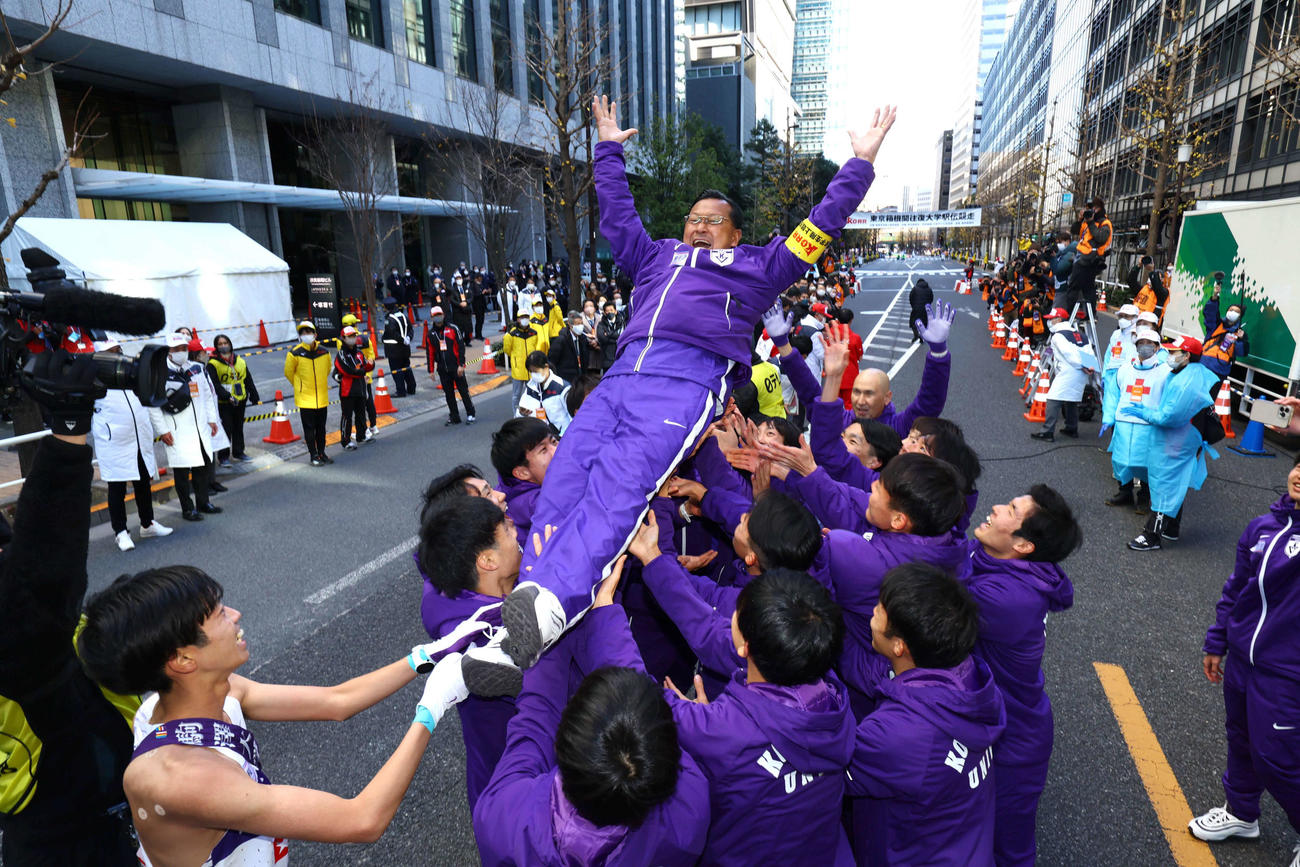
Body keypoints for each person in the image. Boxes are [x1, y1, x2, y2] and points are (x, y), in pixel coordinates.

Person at [457, 96, 896, 698]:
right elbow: (618, 217)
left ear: (735, 233)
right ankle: (529, 605)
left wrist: (860, 165)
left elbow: (818, 227)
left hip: (683, 386)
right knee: (567, 478)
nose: (698, 225)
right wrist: (607, 149)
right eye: (693, 218)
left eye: (712, 220)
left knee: (617, 487)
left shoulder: (758, 266)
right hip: (620, 376)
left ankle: (557, 605)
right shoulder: (658, 255)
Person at [76, 565, 472, 866]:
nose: (236, 615)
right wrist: (431, 709)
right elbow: (361, 819)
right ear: (182, 659)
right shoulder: (180, 778)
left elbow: (337, 701)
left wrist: (427, 656)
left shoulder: (206, 693)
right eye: (219, 614)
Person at [624, 523, 857, 866]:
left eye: (737, 612)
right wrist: (654, 558)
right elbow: (705, 629)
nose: (729, 614)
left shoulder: (719, 731)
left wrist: (603, 613)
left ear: (744, 646)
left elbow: (630, 686)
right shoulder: (831, 693)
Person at [0, 352, 141, 866]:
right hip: (57, 813)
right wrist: (67, 436)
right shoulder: (24, 629)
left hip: (92, 775)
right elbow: (38, 590)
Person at [472, 565, 711, 866]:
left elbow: (534, 723)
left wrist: (544, 625)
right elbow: (644, 710)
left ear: (559, 747)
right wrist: (605, 615)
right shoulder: (690, 808)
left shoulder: (502, 817)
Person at [846, 563, 1006, 865]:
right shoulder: (967, 676)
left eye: (880, 609)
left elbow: (829, 768)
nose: (873, 612)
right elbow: (872, 671)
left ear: (899, 646)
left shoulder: (898, 735)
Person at [1189, 455, 1300, 851]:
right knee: (1241, 738)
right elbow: (1237, 587)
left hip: (1287, 672)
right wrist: (1217, 639)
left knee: (1277, 757)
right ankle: (1241, 812)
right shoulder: (1262, 527)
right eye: (1299, 465)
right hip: (1242, 659)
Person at [967, 486, 1082, 867]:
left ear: (1023, 546)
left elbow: (925, 592)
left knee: (1008, 849)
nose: (996, 507)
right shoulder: (994, 558)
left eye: (1011, 510)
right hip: (990, 721)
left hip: (1013, 741)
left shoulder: (1008, 599)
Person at [417, 495, 518, 810]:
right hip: (518, 792)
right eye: (507, 529)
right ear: (488, 560)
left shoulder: (472, 610)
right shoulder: (487, 642)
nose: (516, 529)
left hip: (496, 782)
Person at [1121, 334, 1220, 550]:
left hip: (1178, 440)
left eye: (1174, 352)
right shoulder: (1187, 373)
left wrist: (1145, 413)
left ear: (1187, 356)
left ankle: (1152, 535)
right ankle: (1171, 528)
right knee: (1174, 481)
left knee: (1164, 484)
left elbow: (1170, 417)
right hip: (1179, 438)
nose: (1169, 355)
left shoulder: (1187, 382)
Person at [91, 339, 172, 551]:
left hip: (138, 439)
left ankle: (147, 524)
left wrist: (160, 429)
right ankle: (121, 532)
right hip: (114, 442)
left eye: (118, 349)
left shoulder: (131, 373)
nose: (117, 354)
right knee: (117, 487)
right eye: (111, 352)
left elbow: (149, 401)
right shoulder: (94, 380)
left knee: (143, 482)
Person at [150, 334, 221, 521]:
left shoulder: (197, 368)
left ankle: (203, 502)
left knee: (202, 467)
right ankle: (187, 508)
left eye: (183, 348)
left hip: (200, 428)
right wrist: (162, 430)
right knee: (182, 471)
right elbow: (153, 406)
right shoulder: (159, 373)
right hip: (177, 430)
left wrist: (212, 419)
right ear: (168, 351)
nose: (181, 352)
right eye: (176, 349)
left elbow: (207, 395)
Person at [1101, 327, 1170, 511]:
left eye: (1149, 343)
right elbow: (1113, 395)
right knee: (1120, 461)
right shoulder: (1124, 369)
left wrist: (1164, 421)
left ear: (1157, 347)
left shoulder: (1165, 372)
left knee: (1147, 464)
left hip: (1148, 426)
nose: (1144, 346)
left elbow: (1170, 400)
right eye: (1141, 343)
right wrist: (1108, 417)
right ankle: (1124, 492)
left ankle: (1144, 497)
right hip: (1124, 424)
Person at [1031, 308, 1098, 442]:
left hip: (1070, 370)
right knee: (1071, 399)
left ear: (1059, 319)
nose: (1049, 322)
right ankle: (1071, 428)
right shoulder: (1080, 334)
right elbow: (1089, 352)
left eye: (1051, 319)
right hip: (1081, 372)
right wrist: (1089, 366)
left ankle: (1047, 431)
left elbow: (1069, 354)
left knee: (1053, 398)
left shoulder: (1058, 336)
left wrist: (1082, 365)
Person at [491, 417, 554, 546]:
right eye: (543, 450)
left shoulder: (508, 486)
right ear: (522, 473)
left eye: (553, 441)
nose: (556, 450)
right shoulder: (542, 504)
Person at [284, 321, 333, 466]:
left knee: (321, 428)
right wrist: (300, 385)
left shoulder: (324, 352)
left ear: (315, 334)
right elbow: (288, 373)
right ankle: (313, 455)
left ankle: (322, 452)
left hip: (322, 397)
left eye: (309, 332)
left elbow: (327, 369)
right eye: (303, 333)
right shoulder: (294, 353)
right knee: (309, 429)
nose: (306, 335)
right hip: (305, 398)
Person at [207, 334, 259, 465]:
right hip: (224, 402)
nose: (223, 346)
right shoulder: (213, 364)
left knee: (238, 427)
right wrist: (227, 396)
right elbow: (214, 385)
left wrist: (254, 394)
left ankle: (239, 452)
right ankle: (223, 457)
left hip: (240, 400)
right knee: (226, 428)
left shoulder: (240, 361)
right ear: (216, 347)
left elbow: (247, 379)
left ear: (230, 344)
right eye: (220, 344)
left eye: (225, 343)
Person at [187, 340, 230, 495]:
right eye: (205, 352)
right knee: (203, 454)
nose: (208, 355)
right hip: (201, 419)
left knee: (211, 451)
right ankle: (203, 485)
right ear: (197, 355)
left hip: (211, 417)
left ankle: (211, 481)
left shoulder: (202, 369)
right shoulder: (191, 372)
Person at [425, 305, 477, 426]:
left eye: (439, 314)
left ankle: (471, 413)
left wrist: (461, 364)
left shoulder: (453, 328)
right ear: (432, 318)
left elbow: (461, 347)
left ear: (443, 315)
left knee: (463, 391)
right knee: (449, 394)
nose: (438, 317)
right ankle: (454, 416)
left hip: (456, 366)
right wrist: (431, 370)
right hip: (442, 368)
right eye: (435, 316)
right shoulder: (431, 334)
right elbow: (430, 353)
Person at [1062, 197, 1112, 313]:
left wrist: (1090, 222)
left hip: (1090, 257)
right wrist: (1080, 219)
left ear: (1099, 208)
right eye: (1089, 208)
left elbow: (1101, 238)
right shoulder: (1087, 221)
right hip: (1082, 255)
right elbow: (1074, 231)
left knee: (1074, 285)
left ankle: (1070, 313)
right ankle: (1090, 314)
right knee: (1088, 287)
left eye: (1093, 208)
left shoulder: (1104, 223)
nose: (1090, 211)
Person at [334, 325, 374, 450]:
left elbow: (366, 366)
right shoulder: (341, 354)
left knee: (361, 414)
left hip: (360, 388)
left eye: (353, 336)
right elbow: (347, 370)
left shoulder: (359, 353)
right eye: (349, 336)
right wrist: (362, 371)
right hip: (347, 391)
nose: (352, 338)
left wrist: (371, 364)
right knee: (347, 416)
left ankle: (361, 436)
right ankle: (345, 441)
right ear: (343, 338)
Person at [502, 308, 549, 412]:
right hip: (518, 369)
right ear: (518, 319)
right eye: (522, 317)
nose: (525, 319)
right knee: (516, 395)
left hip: (531, 369)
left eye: (526, 317)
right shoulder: (511, 334)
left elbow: (535, 347)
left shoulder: (534, 333)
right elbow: (507, 350)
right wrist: (515, 359)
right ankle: (516, 414)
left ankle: (532, 413)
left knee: (533, 393)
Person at [1201, 283, 1249, 380]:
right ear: (1227, 311)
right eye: (1231, 310)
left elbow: (1242, 353)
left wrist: (1241, 339)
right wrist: (1215, 297)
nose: (1233, 312)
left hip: (1219, 372)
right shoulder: (1216, 324)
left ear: (1240, 316)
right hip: (1203, 365)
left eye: (1236, 312)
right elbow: (1210, 313)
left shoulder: (1239, 333)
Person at [518, 351, 568, 435]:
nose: (533, 375)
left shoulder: (562, 387)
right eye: (531, 372)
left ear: (546, 367)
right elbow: (519, 415)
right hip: (540, 437)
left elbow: (573, 416)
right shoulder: (530, 388)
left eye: (536, 371)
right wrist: (522, 413)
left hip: (561, 437)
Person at [381, 297, 418, 397]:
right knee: (406, 368)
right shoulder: (403, 316)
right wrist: (408, 338)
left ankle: (401, 391)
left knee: (396, 371)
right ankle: (411, 388)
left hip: (393, 350)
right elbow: (410, 329)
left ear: (387, 307)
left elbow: (391, 333)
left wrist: (384, 338)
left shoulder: (389, 319)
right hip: (405, 348)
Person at [547, 310, 590, 383]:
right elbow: (552, 360)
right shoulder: (561, 340)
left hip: (580, 375)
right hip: (565, 377)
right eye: (577, 324)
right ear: (570, 325)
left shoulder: (582, 338)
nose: (580, 326)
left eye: (581, 323)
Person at [595, 299, 624, 373]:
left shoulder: (622, 322)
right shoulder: (601, 324)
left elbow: (622, 336)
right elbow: (602, 338)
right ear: (604, 313)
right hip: (606, 359)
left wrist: (608, 334)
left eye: (611, 310)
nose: (609, 312)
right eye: (607, 311)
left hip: (620, 357)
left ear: (615, 311)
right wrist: (616, 339)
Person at [908, 277, 934, 343]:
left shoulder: (915, 289)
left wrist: (913, 306)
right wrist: (927, 306)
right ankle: (922, 336)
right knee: (924, 323)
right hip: (925, 309)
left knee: (913, 322)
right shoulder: (929, 289)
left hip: (916, 308)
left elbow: (911, 298)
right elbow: (931, 299)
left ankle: (916, 335)